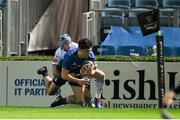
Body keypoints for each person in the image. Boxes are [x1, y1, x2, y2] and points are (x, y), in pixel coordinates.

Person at [37, 34, 91, 107]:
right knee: (50, 92)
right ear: (62, 45)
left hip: (75, 72)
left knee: (80, 101)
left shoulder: (77, 47)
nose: (68, 45)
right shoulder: (58, 53)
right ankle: (45, 73)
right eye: (66, 44)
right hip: (61, 72)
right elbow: (54, 70)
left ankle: (61, 100)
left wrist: (75, 76)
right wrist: (67, 77)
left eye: (69, 42)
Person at [61, 38, 105, 108]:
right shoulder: (69, 56)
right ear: (79, 50)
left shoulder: (90, 54)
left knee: (101, 75)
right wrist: (79, 81)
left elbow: (94, 66)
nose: (89, 53)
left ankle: (97, 99)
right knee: (80, 101)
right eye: (87, 51)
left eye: (90, 50)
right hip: (73, 75)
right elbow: (64, 75)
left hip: (83, 73)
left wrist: (91, 72)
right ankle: (61, 100)